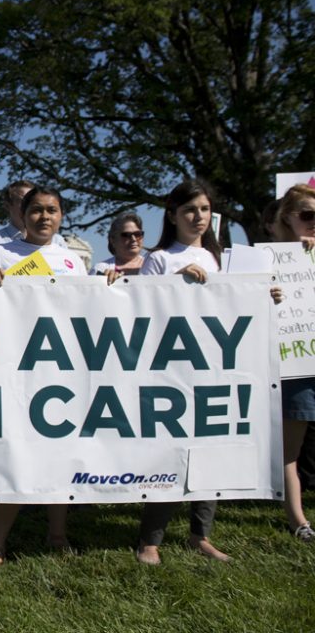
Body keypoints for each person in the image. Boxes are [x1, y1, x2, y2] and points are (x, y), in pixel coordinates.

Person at [0, 186, 118, 571]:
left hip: (61, 369)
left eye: (52, 210)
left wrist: (113, 288)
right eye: (36, 210)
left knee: (60, 454)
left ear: (61, 215)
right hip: (15, 366)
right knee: (15, 454)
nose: (44, 217)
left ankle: (57, 534)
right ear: (23, 213)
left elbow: (89, 311)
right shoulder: (0, 253)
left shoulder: (71, 261)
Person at [135, 179, 228, 564]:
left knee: (210, 450)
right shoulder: (159, 258)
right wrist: (178, 282)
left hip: (213, 365)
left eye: (205, 209)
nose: (198, 217)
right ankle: (150, 540)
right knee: (170, 452)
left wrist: (266, 296)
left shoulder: (220, 259)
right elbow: (142, 306)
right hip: (172, 368)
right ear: (173, 215)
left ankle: (199, 533)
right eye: (190, 210)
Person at [272, 185, 315, 542]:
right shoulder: (275, 261)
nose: (314, 223)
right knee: (291, 450)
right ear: (288, 217)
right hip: (299, 364)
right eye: (308, 215)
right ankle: (298, 519)